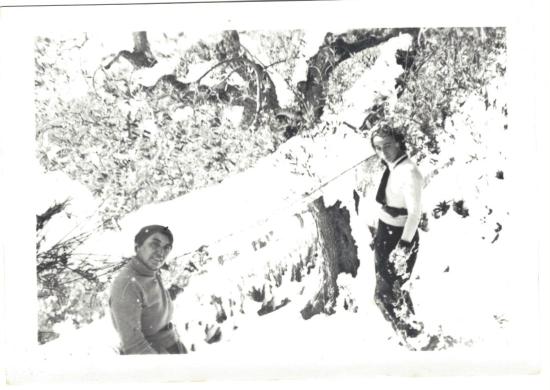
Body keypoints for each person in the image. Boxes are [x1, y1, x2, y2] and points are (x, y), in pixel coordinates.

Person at [369, 125, 424, 341]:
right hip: (384, 234)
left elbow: (415, 213)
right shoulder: (392, 166)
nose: (383, 152)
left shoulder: (410, 172)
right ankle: (411, 329)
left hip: (399, 237)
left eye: (388, 146)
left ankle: (410, 335)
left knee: (384, 294)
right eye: (377, 148)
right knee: (393, 291)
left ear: (399, 142)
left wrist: (403, 245)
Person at [110, 225, 187, 354]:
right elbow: (134, 345)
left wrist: (175, 290)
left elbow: (151, 302)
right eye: (154, 245)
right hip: (154, 356)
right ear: (137, 247)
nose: (161, 253)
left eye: (166, 248)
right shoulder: (127, 284)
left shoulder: (149, 271)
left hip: (170, 348)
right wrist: (163, 369)